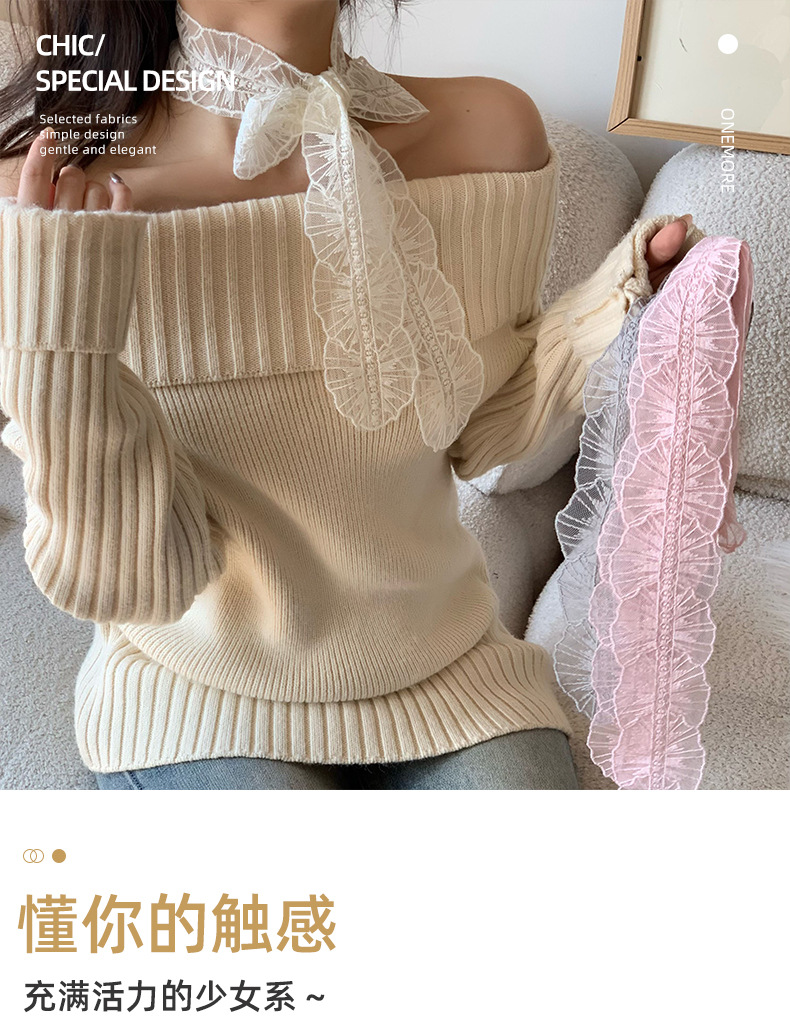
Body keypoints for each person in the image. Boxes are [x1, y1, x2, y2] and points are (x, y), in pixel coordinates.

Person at [0, 0, 700, 790]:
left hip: (452, 670)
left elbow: (482, 433)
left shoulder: (491, 133)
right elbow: (125, 580)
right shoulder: (46, 196)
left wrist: (621, 308)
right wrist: (64, 343)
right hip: (194, 691)